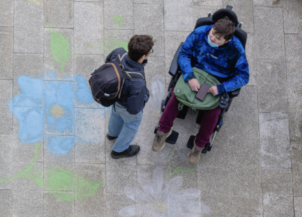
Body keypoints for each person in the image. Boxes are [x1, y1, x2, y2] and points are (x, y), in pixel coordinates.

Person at [153, 17, 249, 164]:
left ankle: (199, 145)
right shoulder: (199, 33)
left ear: (227, 40)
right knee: (175, 96)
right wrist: (189, 76)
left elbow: (243, 76)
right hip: (196, 71)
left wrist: (222, 88)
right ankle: (163, 131)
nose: (212, 38)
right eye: (212, 33)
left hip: (217, 81)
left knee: (214, 112)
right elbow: (184, 53)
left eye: (218, 39)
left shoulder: (236, 49)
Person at [106, 35, 154, 159]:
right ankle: (119, 150)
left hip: (115, 98)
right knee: (131, 124)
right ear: (143, 56)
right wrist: (145, 95)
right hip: (125, 104)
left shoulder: (118, 52)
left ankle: (112, 134)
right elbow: (134, 109)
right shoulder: (138, 82)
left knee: (115, 114)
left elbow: (107, 64)